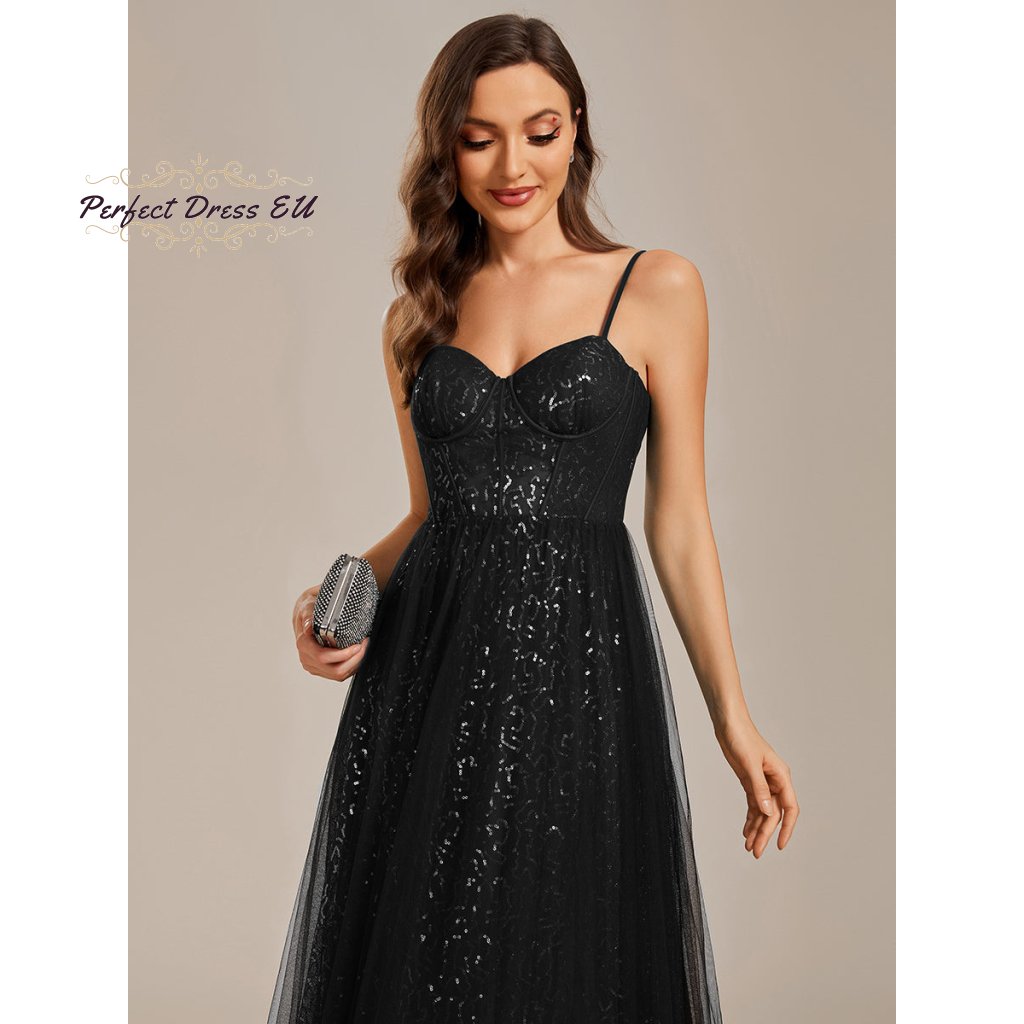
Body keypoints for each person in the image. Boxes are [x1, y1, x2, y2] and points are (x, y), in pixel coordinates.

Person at [268, 14, 798, 1024]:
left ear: (576, 128)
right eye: (479, 139)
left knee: (563, 950)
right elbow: (430, 513)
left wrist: (731, 717)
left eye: (540, 132)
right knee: (422, 963)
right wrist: (337, 594)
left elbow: (678, 518)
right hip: (428, 676)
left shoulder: (656, 287)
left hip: (580, 672)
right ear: (446, 149)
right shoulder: (416, 313)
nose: (513, 166)